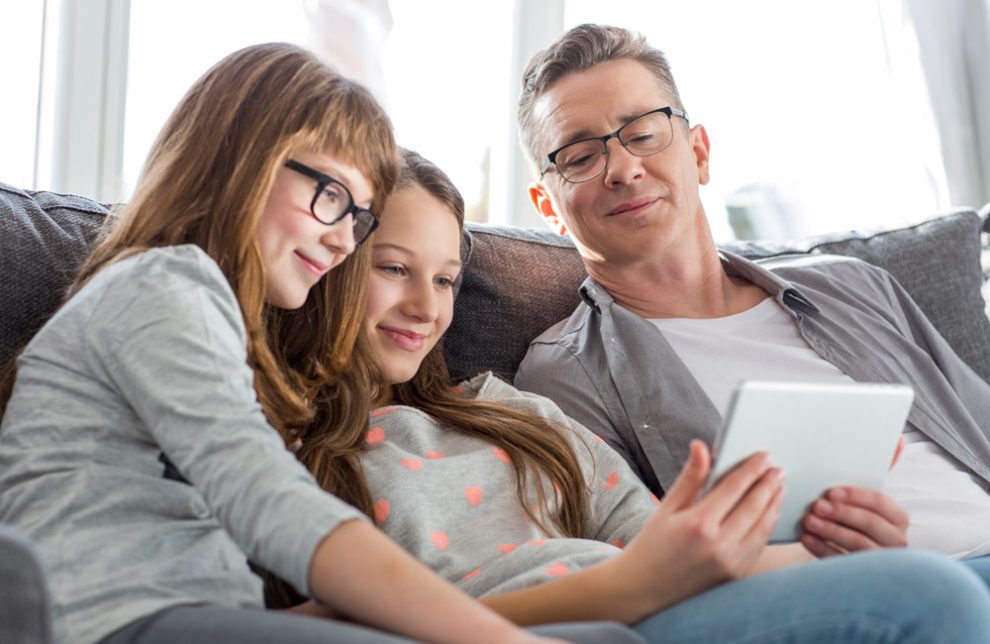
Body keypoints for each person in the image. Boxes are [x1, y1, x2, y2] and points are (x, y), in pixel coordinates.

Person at [0, 43, 620, 644]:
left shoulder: (220, 326)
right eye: (329, 197)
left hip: (192, 612)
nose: (342, 242)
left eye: (358, 217)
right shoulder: (162, 286)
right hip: (100, 619)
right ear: (238, 164)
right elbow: (272, 506)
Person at [302, 146, 990, 643]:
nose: (427, 305)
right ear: (325, 261)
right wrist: (632, 584)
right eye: (395, 268)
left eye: (447, 279)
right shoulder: (269, 452)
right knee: (927, 593)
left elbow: (651, 544)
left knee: (923, 582)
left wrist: (832, 545)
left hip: (652, 607)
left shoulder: (511, 412)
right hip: (604, 620)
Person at [513, 23, 990, 572]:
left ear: (699, 154)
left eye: (642, 133)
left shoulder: (852, 284)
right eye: (579, 157)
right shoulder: (563, 375)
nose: (623, 169)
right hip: (877, 591)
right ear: (547, 206)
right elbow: (635, 571)